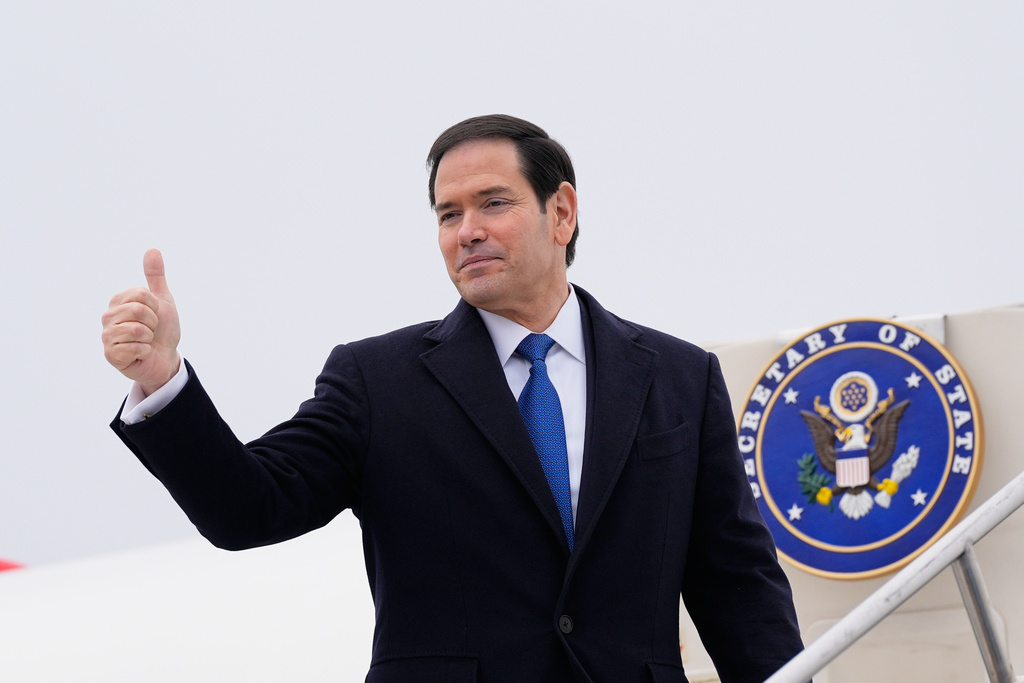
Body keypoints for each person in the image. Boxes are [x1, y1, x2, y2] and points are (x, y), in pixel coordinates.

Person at [101, 114, 804, 683]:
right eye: (448, 213)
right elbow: (248, 507)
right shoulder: (376, 381)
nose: (466, 230)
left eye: (493, 203)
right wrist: (164, 380)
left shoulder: (680, 377)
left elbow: (737, 587)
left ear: (561, 212)